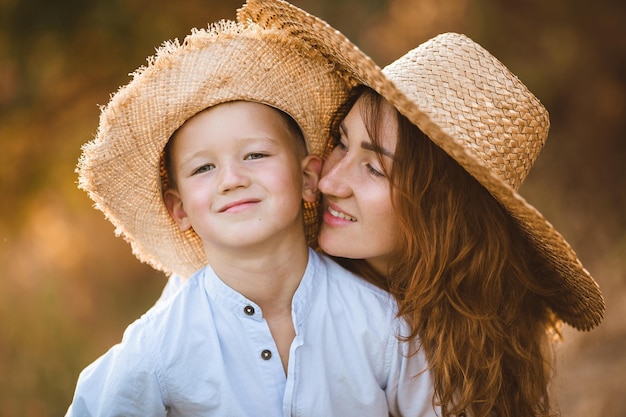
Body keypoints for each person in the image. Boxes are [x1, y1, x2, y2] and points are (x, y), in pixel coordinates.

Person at [237, 1, 606, 416]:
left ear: (443, 209)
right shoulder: (259, 278)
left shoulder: (481, 362)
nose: (329, 181)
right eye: (341, 141)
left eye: (374, 168)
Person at [66, 19, 436, 417]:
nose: (232, 179)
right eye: (203, 168)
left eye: (256, 155)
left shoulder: (382, 324)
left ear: (309, 178)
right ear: (180, 210)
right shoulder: (159, 345)